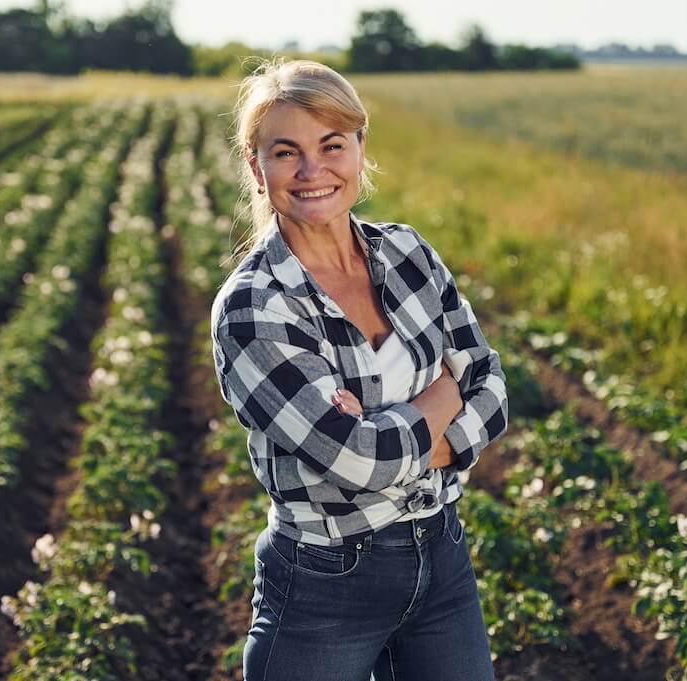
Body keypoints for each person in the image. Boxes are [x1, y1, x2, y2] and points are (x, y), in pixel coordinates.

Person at [209, 58, 508, 681]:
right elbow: (359, 461)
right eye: (286, 152)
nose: (313, 171)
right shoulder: (253, 308)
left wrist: (392, 431)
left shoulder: (408, 253)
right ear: (255, 167)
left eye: (332, 145)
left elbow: (491, 388)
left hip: (443, 562)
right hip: (324, 585)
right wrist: (442, 397)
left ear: (359, 148)